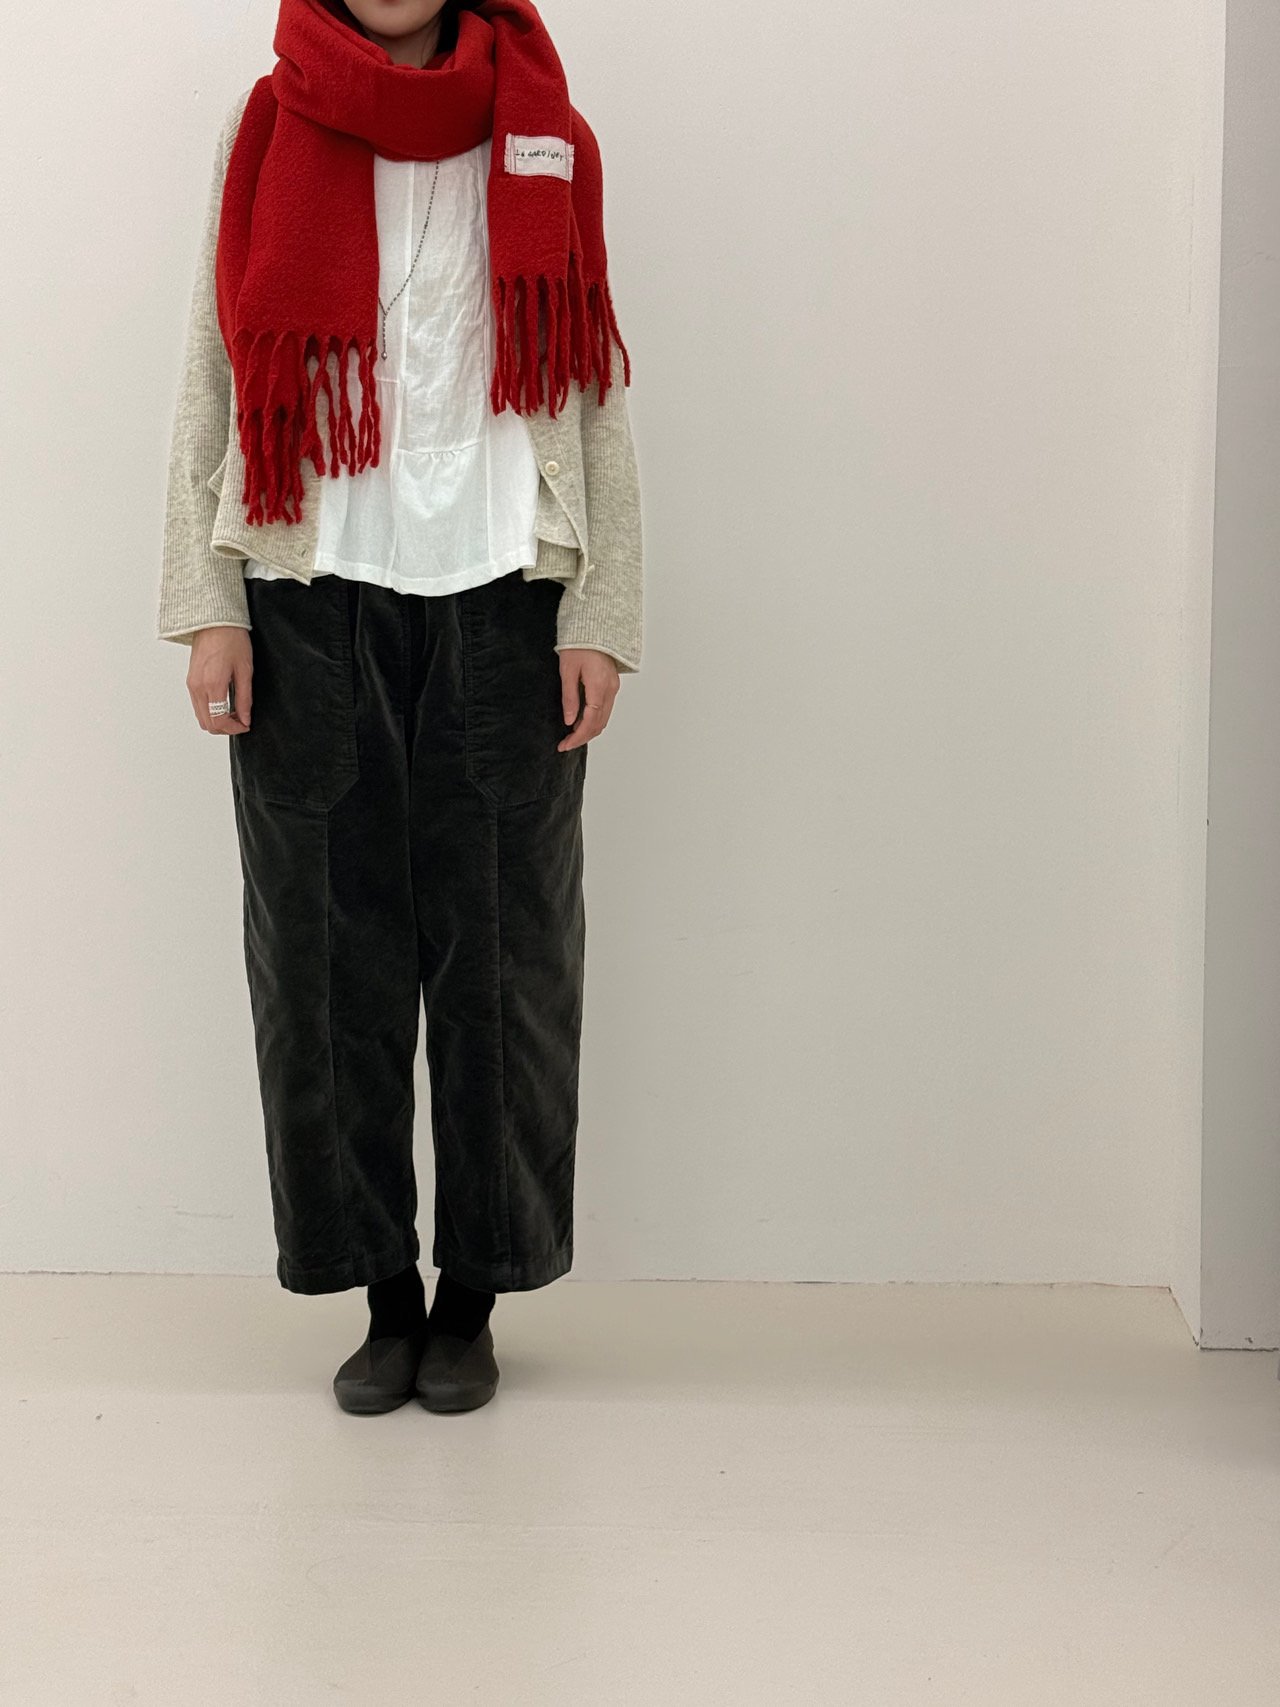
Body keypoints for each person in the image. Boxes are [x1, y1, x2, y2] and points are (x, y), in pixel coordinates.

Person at [156, 0, 643, 1416]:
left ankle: (474, 1299)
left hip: (505, 589)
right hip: (308, 593)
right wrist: (209, 599)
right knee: (323, 964)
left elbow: (592, 380)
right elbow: (214, 366)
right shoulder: (268, 126)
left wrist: (599, 612)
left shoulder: (547, 132)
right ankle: (380, 1294)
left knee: (506, 968)